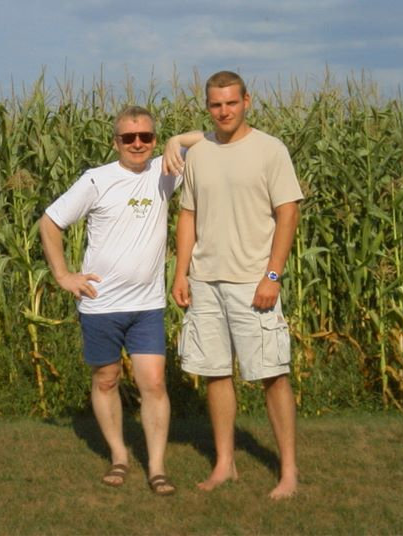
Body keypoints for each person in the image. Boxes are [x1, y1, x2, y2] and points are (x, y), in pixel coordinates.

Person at [39, 105, 201, 496]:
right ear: (116, 142)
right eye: (129, 137)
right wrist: (63, 275)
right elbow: (50, 222)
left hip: (147, 305)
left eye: (146, 136)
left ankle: (157, 467)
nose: (138, 143)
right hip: (101, 305)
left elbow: (214, 136)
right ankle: (118, 456)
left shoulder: (167, 171)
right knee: (107, 380)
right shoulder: (96, 180)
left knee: (155, 383)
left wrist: (177, 140)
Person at [172, 71, 303, 499]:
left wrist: (272, 275)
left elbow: (288, 213)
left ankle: (288, 472)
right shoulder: (200, 154)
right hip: (205, 282)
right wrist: (181, 272)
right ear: (207, 106)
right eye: (215, 104)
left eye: (231, 102)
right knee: (214, 374)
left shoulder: (270, 150)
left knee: (272, 375)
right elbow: (188, 215)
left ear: (247, 100)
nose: (224, 111)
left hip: (253, 282)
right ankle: (225, 463)